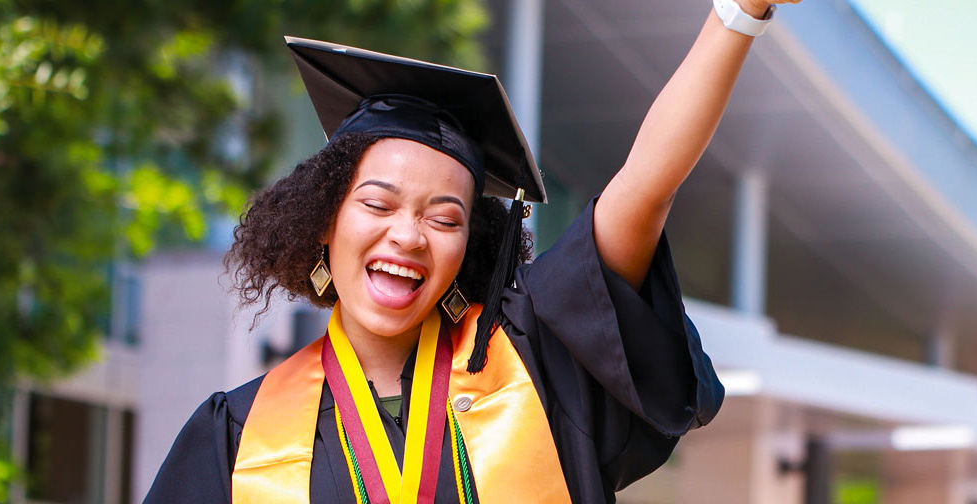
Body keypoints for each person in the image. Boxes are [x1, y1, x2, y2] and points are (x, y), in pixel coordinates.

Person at [145, 0, 798, 502]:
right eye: (378, 204)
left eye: (445, 217)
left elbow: (645, 190)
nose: (408, 235)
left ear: (470, 248)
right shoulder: (236, 434)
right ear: (324, 222)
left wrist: (740, 14)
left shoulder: (537, 365)